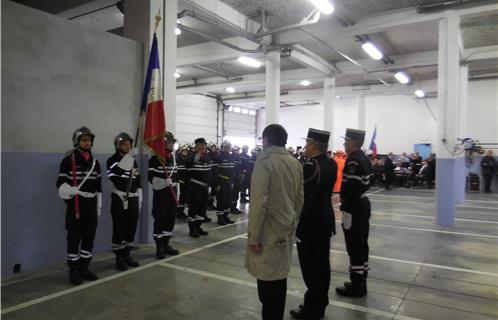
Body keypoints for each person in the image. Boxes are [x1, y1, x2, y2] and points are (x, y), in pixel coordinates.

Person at [246, 124, 304, 320]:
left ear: (266, 139)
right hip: (286, 226)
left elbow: (258, 203)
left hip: (267, 230)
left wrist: (254, 237)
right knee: (279, 275)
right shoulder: (294, 163)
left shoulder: (265, 162)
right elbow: (299, 199)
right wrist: (292, 221)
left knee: (267, 280)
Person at [290, 128, 337, 320]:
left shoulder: (310, 166)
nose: (305, 147)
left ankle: (313, 310)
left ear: (313, 145)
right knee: (322, 265)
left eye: (307, 143)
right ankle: (318, 303)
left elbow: (300, 195)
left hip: (310, 222)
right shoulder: (331, 164)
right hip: (325, 219)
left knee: (311, 268)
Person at [56, 127, 102, 285]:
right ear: (77, 141)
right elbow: (60, 183)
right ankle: (74, 270)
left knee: (89, 238)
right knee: (74, 239)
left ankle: (84, 267)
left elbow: (99, 186)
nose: (87, 143)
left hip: (91, 205)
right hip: (75, 206)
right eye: (84, 140)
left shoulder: (95, 162)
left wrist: (99, 206)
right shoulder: (69, 160)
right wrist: (70, 190)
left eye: (89, 140)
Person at [336, 128, 372, 298]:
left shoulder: (354, 161)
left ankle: (357, 286)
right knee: (362, 244)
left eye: (346, 140)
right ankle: (361, 279)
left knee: (355, 245)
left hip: (354, 207)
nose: (344, 143)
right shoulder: (364, 158)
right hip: (363, 204)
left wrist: (344, 200)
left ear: (352, 142)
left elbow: (352, 187)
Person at [106, 132, 142, 271]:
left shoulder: (133, 161)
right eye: (125, 144)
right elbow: (115, 176)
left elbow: (137, 179)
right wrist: (128, 158)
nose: (128, 146)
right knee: (119, 228)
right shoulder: (111, 160)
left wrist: (140, 195)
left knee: (131, 227)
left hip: (133, 197)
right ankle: (119, 257)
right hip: (119, 198)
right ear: (118, 145)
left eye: (129, 144)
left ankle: (127, 254)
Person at [148, 131, 180, 258]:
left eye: (173, 142)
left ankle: (166, 244)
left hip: (172, 194)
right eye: (169, 142)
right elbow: (150, 176)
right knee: (160, 219)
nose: (172, 144)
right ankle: (159, 247)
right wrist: (163, 182)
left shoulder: (173, 158)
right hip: (161, 195)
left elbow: (176, 176)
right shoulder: (154, 158)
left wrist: (176, 188)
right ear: (163, 143)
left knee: (170, 219)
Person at [187, 138, 218, 237]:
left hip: (205, 188)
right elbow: (188, 167)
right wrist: (196, 154)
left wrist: (211, 185)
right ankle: (192, 229)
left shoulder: (208, 157)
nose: (203, 147)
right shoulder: (192, 157)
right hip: (195, 187)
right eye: (200, 145)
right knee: (193, 208)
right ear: (196, 146)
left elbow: (210, 172)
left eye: (204, 145)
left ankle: (198, 227)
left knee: (202, 209)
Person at [214, 140, 236, 225]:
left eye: (229, 147)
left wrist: (232, 182)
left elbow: (233, 170)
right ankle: (220, 218)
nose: (228, 148)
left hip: (229, 182)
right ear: (222, 147)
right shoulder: (218, 157)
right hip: (221, 181)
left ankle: (225, 216)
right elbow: (215, 172)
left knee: (228, 200)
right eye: (226, 147)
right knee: (221, 200)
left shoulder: (231, 157)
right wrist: (217, 184)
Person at [176, 144, 190, 219]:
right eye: (184, 151)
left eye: (186, 151)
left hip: (186, 180)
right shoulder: (177, 159)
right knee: (180, 197)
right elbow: (176, 171)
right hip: (180, 181)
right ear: (180, 151)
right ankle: (178, 212)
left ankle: (181, 211)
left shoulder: (187, 159)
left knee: (184, 197)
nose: (185, 152)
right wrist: (179, 180)